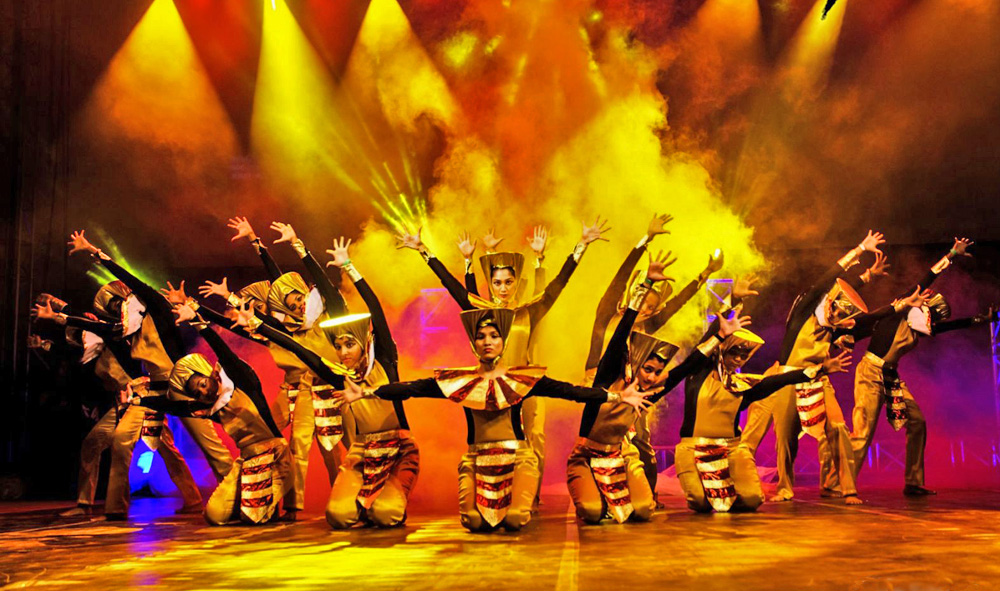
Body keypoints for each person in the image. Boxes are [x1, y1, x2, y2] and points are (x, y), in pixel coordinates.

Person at [334, 307, 655, 532]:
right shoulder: (459, 381)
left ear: (503, 342)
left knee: (514, 519)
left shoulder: (521, 379)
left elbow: (570, 392)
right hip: (477, 461)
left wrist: (616, 397)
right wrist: (366, 392)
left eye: (493, 336)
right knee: (474, 522)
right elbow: (412, 389)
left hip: (518, 461)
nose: (487, 341)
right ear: (473, 344)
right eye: (481, 337)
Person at [740, 231, 927, 504]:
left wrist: (899, 305)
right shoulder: (805, 310)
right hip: (786, 377)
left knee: (838, 427)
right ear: (829, 301)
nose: (837, 316)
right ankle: (784, 487)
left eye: (843, 315)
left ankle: (847, 489)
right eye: (837, 310)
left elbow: (868, 318)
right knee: (786, 435)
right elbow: (830, 279)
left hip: (818, 378)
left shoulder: (836, 326)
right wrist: (861, 249)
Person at [568, 252, 711, 524]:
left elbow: (676, 305)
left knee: (640, 439)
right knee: (600, 438)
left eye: (651, 307)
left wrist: (702, 277)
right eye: (642, 302)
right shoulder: (608, 316)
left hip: (634, 388)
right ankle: (595, 492)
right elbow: (618, 284)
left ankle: (646, 493)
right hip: (600, 385)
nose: (645, 309)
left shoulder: (647, 326)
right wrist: (641, 254)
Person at [850, 238, 994, 495]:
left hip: (890, 377)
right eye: (932, 315)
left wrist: (977, 320)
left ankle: (913, 482)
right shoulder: (899, 310)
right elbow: (928, 277)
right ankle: (841, 484)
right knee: (863, 431)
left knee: (917, 422)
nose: (932, 322)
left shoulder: (918, 329)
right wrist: (952, 254)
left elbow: (944, 328)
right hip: (870, 374)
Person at [137, 305, 293, 525]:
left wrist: (198, 322)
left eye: (202, 384)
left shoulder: (242, 383)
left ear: (210, 374)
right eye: (197, 393)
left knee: (252, 518)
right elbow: (175, 407)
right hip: (246, 462)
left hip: (275, 457)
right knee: (214, 515)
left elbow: (224, 353)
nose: (203, 392)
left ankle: (264, 505)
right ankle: (252, 503)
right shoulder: (212, 409)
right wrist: (138, 400)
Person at [676, 323, 852, 513]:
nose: (738, 359)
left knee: (752, 499)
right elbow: (700, 351)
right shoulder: (698, 376)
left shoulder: (743, 386)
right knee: (699, 503)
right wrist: (726, 317)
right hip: (694, 449)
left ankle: (726, 492)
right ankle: (709, 494)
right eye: (733, 353)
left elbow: (780, 380)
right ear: (722, 349)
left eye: (743, 356)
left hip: (731, 451)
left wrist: (820, 369)